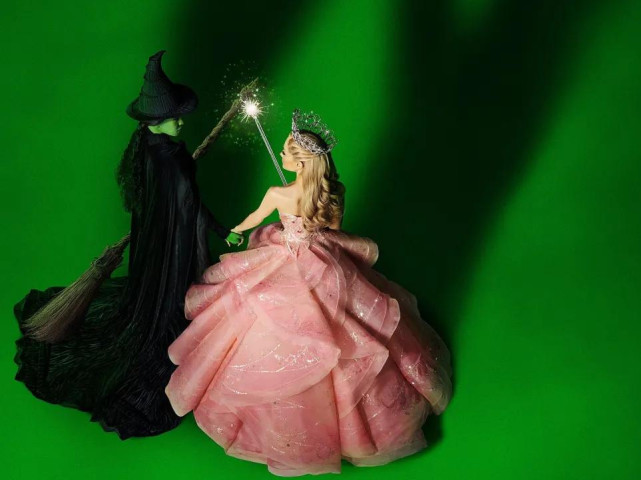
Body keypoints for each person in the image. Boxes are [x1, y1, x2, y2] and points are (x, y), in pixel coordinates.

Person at [165, 109, 452, 475]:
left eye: (287, 153)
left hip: (285, 256)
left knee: (267, 318)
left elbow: (256, 218)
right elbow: (334, 231)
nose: (281, 156)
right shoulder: (333, 193)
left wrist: (234, 230)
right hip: (324, 256)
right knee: (345, 317)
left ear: (300, 164)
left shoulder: (278, 193)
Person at [14, 51, 241, 439]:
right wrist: (224, 232)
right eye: (173, 117)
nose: (180, 121)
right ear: (154, 121)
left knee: (151, 296)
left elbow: (172, 201)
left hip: (153, 243)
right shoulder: (172, 159)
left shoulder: (146, 147)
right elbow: (191, 207)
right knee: (170, 300)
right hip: (171, 246)